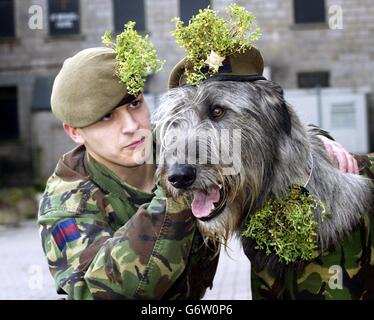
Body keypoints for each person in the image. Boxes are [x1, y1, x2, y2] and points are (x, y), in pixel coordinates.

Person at [38, 24, 358, 300]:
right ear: (75, 132)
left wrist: (316, 140)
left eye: (135, 104)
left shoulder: (166, 147)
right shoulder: (68, 205)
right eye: (106, 117)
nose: (131, 126)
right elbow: (100, 293)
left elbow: (249, 130)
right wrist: (174, 192)